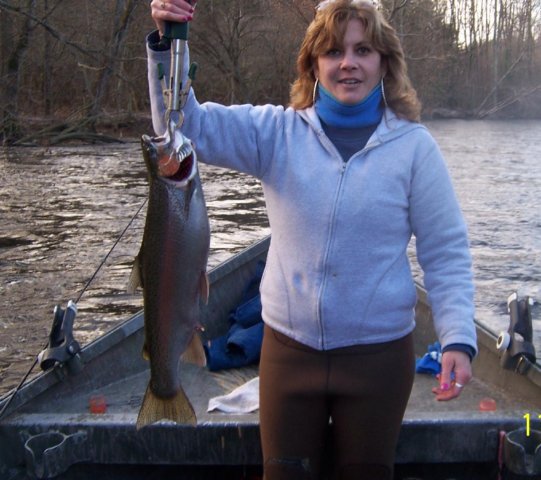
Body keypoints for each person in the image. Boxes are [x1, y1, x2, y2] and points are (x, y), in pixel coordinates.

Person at [147, 1, 477, 478]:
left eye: (363, 50)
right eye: (333, 51)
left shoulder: (414, 148)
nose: (348, 63)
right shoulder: (276, 133)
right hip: (289, 354)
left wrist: (457, 340)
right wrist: (167, 43)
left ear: (384, 61)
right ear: (313, 64)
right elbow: (182, 126)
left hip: (379, 359)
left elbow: (445, 252)